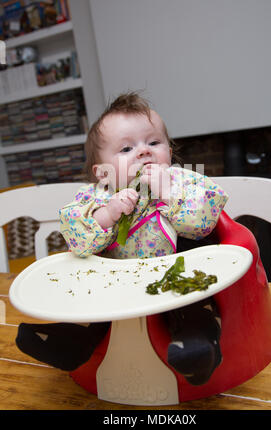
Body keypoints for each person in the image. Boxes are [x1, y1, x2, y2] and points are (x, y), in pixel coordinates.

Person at [16, 92, 228, 385]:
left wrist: (168, 193)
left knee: (196, 304)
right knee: (89, 305)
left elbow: (203, 223)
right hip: (114, 288)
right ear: (102, 172)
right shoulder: (95, 197)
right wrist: (108, 214)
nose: (144, 151)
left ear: (170, 151)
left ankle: (198, 349)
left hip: (177, 282)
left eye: (154, 143)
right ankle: (70, 343)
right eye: (127, 148)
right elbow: (77, 241)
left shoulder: (185, 182)